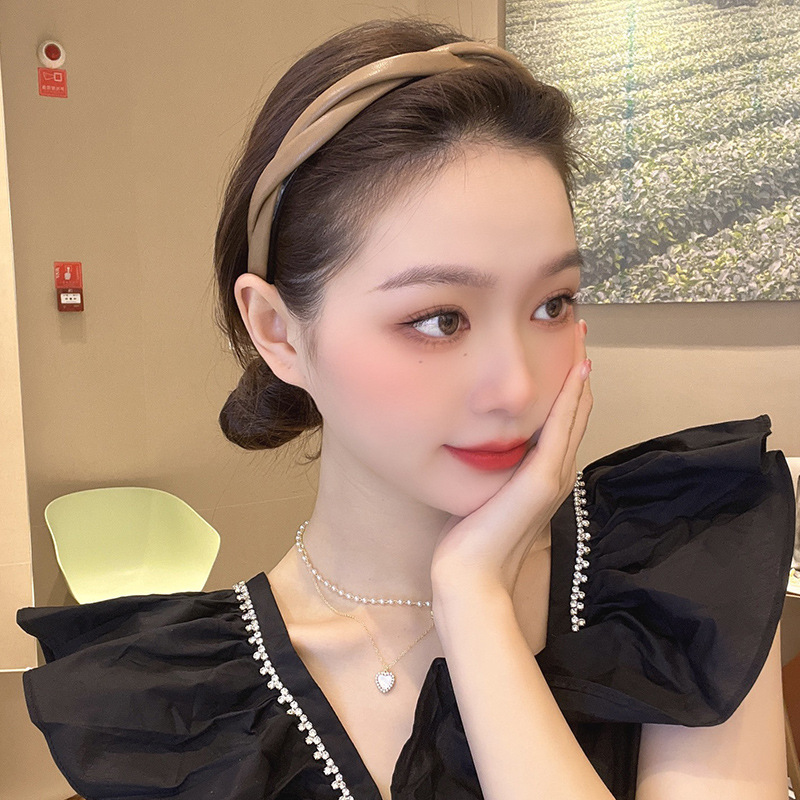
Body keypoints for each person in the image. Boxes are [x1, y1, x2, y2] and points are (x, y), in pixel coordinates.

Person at [17, 18, 795, 800]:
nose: (517, 388)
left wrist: (475, 605)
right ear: (277, 332)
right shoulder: (176, 717)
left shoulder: (682, 579)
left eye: (553, 304)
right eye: (439, 319)